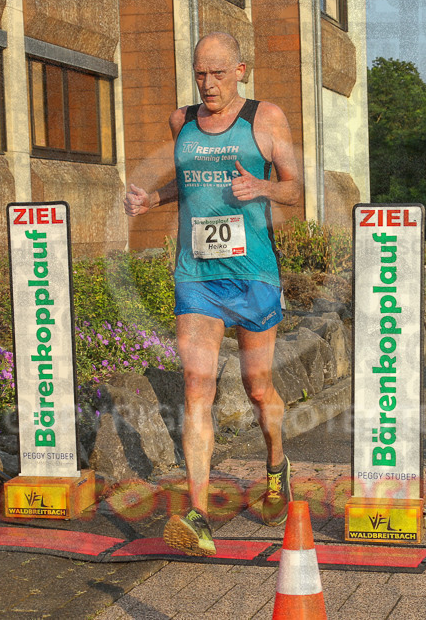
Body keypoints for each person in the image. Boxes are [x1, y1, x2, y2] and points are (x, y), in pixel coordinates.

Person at [124, 32, 302, 556]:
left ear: (241, 70)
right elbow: (187, 182)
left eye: (218, 73)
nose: (208, 84)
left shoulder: (265, 118)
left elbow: (295, 187)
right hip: (197, 275)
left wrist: (263, 187)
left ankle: (276, 465)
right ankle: (198, 515)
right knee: (196, 385)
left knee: (257, 386)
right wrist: (153, 198)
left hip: (254, 274)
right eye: (200, 73)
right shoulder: (181, 121)